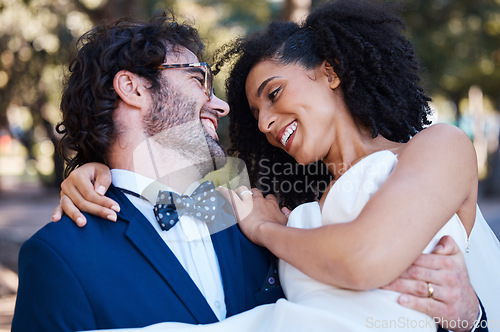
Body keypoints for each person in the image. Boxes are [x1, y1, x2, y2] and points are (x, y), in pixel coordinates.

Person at [53, 1, 499, 331]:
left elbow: (365, 261)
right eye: (256, 114)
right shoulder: (287, 196)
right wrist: (94, 170)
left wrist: (267, 231)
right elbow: (160, 200)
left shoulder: (439, 146)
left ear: (331, 71)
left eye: (273, 93)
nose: (265, 123)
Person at [11, 13, 284, 332]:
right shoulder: (59, 256)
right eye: (199, 80)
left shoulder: (255, 217)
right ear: (132, 88)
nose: (221, 105)